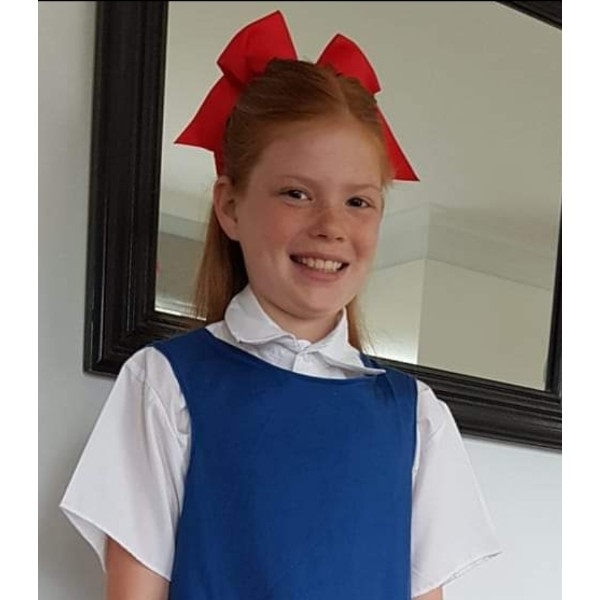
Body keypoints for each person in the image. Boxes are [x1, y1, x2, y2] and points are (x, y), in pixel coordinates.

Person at [60, 11, 501, 600]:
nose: (331, 226)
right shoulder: (164, 385)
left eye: (358, 201)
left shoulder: (417, 416)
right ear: (231, 206)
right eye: (297, 193)